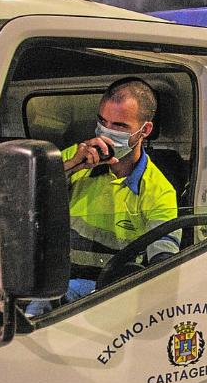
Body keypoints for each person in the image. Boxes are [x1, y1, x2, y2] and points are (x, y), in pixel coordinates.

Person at [27, 77, 179, 316]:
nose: (106, 132)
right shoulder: (74, 156)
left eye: (119, 126)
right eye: (102, 121)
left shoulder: (158, 190)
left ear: (144, 131)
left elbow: (163, 257)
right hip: (58, 280)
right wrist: (72, 166)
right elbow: (29, 202)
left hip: (113, 290)